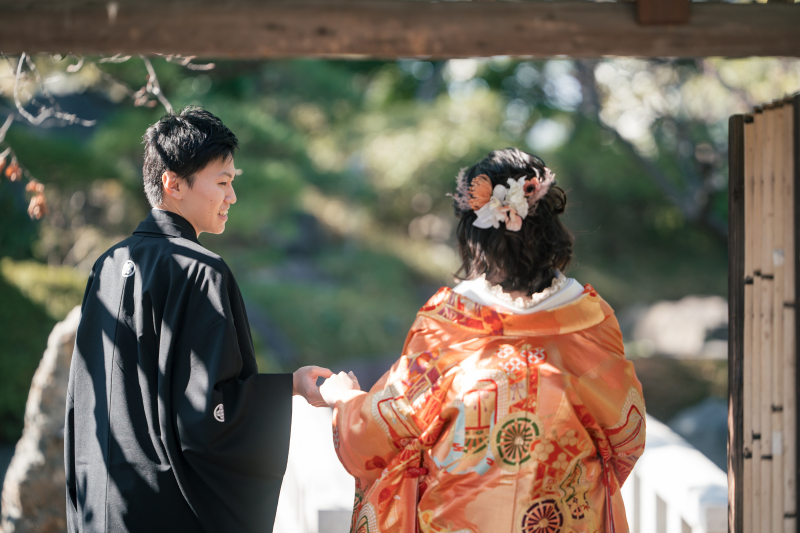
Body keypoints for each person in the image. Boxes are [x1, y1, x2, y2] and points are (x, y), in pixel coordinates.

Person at [320, 148, 646, 533]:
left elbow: (386, 429)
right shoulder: (590, 320)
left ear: (471, 233)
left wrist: (345, 402)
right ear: (548, 224)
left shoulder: (447, 324)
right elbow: (626, 434)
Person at [65, 107, 332, 533]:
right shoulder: (201, 270)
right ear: (172, 183)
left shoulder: (107, 265)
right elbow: (207, 415)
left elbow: (83, 400)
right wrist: (287, 388)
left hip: (101, 500)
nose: (232, 197)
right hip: (164, 512)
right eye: (223, 183)